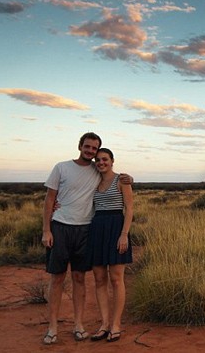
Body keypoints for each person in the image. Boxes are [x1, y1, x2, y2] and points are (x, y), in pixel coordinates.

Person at [41, 132, 131, 345]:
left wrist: (129, 179)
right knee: (58, 278)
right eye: (88, 147)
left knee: (81, 278)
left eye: (95, 149)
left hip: (86, 230)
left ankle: (79, 325)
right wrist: (46, 229)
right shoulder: (62, 167)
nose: (92, 153)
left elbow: (121, 186)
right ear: (80, 146)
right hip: (62, 226)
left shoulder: (98, 170)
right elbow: (49, 198)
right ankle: (52, 327)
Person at [87, 148, 134, 343]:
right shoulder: (93, 181)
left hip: (116, 228)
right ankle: (104, 324)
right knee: (99, 279)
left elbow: (129, 208)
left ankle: (116, 324)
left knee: (116, 279)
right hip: (97, 228)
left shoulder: (122, 181)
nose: (101, 162)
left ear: (112, 161)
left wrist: (124, 235)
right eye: (98, 160)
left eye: (105, 159)